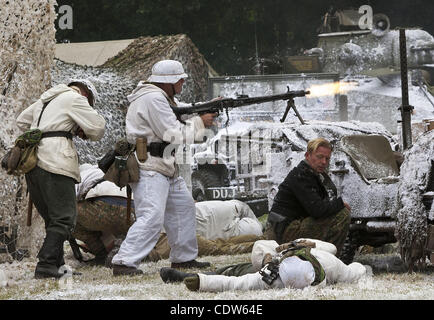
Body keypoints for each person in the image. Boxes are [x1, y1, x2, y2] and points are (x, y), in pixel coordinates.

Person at [111, 60, 218, 276]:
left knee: (183, 209)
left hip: (164, 165)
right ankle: (124, 261)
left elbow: (180, 112)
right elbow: (174, 133)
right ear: (168, 81)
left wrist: (207, 107)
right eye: (179, 79)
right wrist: (200, 122)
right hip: (150, 166)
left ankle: (183, 259)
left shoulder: (161, 97)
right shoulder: (153, 98)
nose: (182, 82)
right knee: (151, 216)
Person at [73, 164, 264, 266]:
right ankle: (264, 238)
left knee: (227, 242)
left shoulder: (82, 187)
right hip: (210, 214)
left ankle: (263, 239)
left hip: (205, 220)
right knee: (245, 229)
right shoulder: (95, 173)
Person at [16, 80, 106, 279]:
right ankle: (46, 263)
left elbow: (22, 121)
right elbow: (98, 128)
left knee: (52, 219)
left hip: (33, 163)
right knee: (65, 218)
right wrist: (77, 126)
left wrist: (54, 125)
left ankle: (57, 265)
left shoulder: (45, 100)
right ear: (87, 95)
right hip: (56, 160)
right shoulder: (75, 98)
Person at [160, 239, 370, 292]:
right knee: (260, 247)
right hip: (277, 252)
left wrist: (201, 282)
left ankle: (186, 275)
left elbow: (236, 284)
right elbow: (357, 271)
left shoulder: (272, 280)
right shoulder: (329, 260)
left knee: (237, 272)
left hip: (267, 263)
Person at [264, 138, 351, 256]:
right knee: (342, 215)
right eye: (320, 157)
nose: (324, 162)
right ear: (307, 155)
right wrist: (340, 204)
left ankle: (324, 257)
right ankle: (329, 258)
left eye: (327, 158)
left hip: (286, 227)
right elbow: (318, 210)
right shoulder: (301, 175)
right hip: (284, 231)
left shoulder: (310, 174)